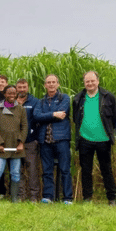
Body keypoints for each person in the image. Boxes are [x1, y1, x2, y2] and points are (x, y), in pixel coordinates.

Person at [72, 71, 116, 206]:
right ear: (84, 83)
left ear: (98, 81)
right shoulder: (78, 98)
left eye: (92, 81)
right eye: (87, 81)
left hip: (103, 140)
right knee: (86, 170)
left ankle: (111, 198)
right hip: (85, 140)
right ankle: (87, 198)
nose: (90, 83)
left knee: (106, 169)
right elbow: (76, 118)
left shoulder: (108, 97)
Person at [33, 74, 73, 204]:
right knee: (47, 170)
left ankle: (67, 198)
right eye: (48, 82)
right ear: (45, 85)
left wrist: (47, 115)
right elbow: (37, 116)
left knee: (65, 169)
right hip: (45, 141)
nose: (51, 84)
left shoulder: (64, 98)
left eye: (53, 82)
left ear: (58, 84)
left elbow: (63, 113)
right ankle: (48, 197)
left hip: (61, 139)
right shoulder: (41, 101)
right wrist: (54, 114)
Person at [0, 85, 27, 202]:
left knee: (15, 172)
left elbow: (24, 126)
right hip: (2, 146)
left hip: (16, 146)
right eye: (9, 93)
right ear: (4, 94)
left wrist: (21, 143)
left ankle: (14, 198)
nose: (11, 95)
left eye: (14, 93)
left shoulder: (20, 109)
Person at [15, 78, 42, 202]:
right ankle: (20, 196)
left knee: (32, 170)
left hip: (30, 142)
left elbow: (38, 120)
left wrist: (36, 138)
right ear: (16, 88)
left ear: (28, 88)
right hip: (14, 143)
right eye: (19, 87)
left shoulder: (35, 101)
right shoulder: (11, 101)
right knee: (17, 170)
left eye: (24, 87)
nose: (22, 89)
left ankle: (34, 197)